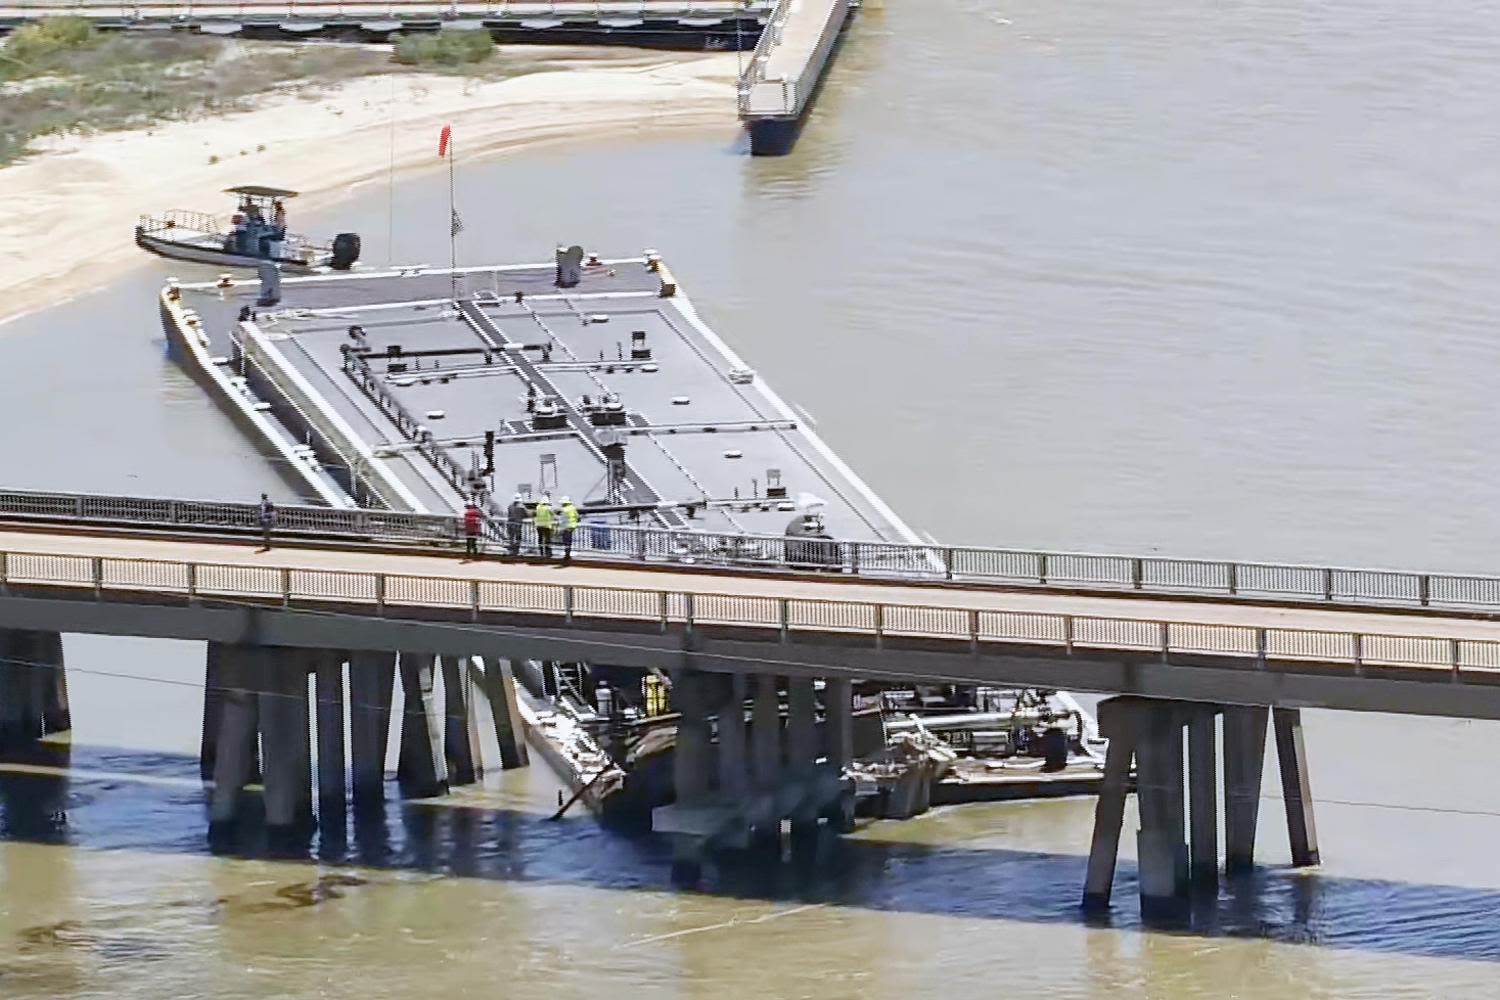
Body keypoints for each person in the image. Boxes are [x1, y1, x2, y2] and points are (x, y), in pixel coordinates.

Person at [559, 496, 580, 562]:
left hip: (566, 527)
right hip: (572, 526)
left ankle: (567, 555)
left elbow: (562, 520)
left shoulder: (564, 510)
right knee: (569, 542)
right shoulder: (573, 508)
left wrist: (560, 528)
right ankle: (568, 554)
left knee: (566, 542)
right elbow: (578, 517)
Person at [534, 494, 555, 558]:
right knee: (547, 540)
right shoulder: (548, 508)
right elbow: (553, 514)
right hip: (546, 526)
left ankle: (541, 553)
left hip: (539, 525)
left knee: (540, 540)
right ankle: (548, 553)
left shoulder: (538, 507)